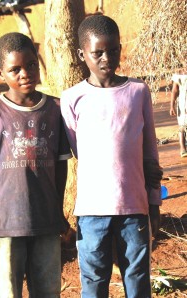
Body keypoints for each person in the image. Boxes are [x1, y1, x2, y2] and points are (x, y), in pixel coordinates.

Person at [60, 15, 163, 298]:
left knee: (138, 277)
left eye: (114, 49)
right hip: (92, 211)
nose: (107, 57)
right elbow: (79, 151)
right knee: (93, 280)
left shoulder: (138, 92)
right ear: (82, 54)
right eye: (97, 52)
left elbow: (150, 152)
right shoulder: (72, 98)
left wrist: (154, 205)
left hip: (134, 209)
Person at [0, 32, 72, 298]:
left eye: (31, 65)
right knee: (7, 291)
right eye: (15, 69)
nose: (25, 73)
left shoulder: (54, 110)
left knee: (48, 290)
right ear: (0, 73)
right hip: (6, 223)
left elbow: (61, 166)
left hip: (47, 220)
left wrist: (59, 212)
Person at [170, 62, 187, 158]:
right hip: (183, 103)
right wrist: (172, 106)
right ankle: (182, 148)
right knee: (182, 125)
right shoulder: (179, 74)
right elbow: (174, 90)